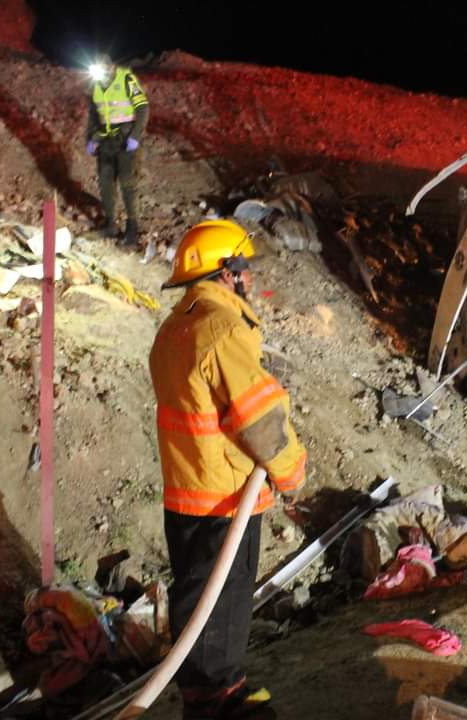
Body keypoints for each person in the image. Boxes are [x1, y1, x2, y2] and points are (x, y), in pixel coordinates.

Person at [149, 220, 307, 719]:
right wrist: (293, 474)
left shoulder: (176, 329)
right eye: (242, 271)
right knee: (219, 603)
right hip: (223, 500)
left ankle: (215, 694)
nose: (247, 281)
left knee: (208, 600)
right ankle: (217, 705)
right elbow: (261, 421)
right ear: (228, 273)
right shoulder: (221, 330)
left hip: (191, 493)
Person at [86, 55, 149, 246]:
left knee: (127, 184)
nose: (104, 72)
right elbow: (94, 115)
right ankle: (111, 225)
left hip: (125, 139)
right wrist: (92, 138)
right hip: (106, 141)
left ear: (112, 66)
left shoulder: (126, 79)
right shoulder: (95, 84)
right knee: (105, 183)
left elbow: (143, 108)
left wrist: (135, 136)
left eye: (106, 68)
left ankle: (132, 230)